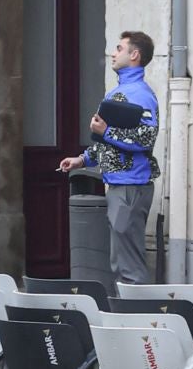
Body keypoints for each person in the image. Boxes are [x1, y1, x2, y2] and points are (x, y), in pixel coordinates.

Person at [58, 31, 159, 285]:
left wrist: (106, 131)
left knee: (129, 264)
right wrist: (83, 160)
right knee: (120, 259)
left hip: (130, 185)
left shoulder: (141, 94)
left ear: (134, 55)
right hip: (120, 184)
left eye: (119, 48)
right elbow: (109, 144)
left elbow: (146, 138)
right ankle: (130, 315)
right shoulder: (118, 92)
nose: (113, 53)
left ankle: (137, 317)